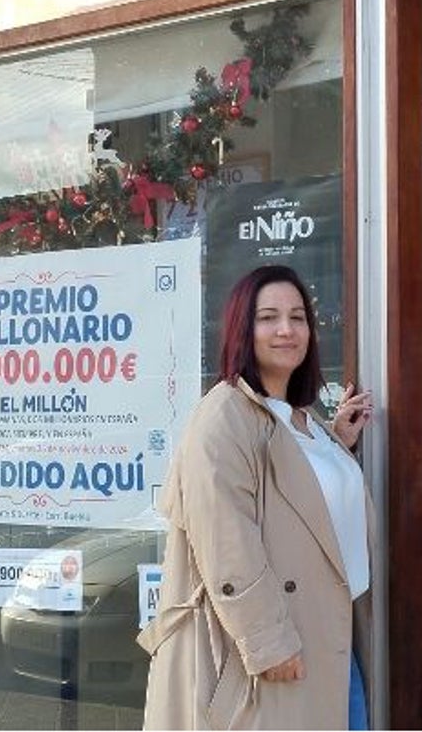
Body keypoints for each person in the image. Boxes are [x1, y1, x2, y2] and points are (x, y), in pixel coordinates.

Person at [139, 264, 375, 729]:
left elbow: (296, 492)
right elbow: (226, 540)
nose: (286, 330)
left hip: (333, 640)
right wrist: (268, 642)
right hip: (271, 651)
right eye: (268, 317)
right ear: (242, 329)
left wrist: (336, 443)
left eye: (297, 317)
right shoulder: (223, 413)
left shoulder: (300, 419)